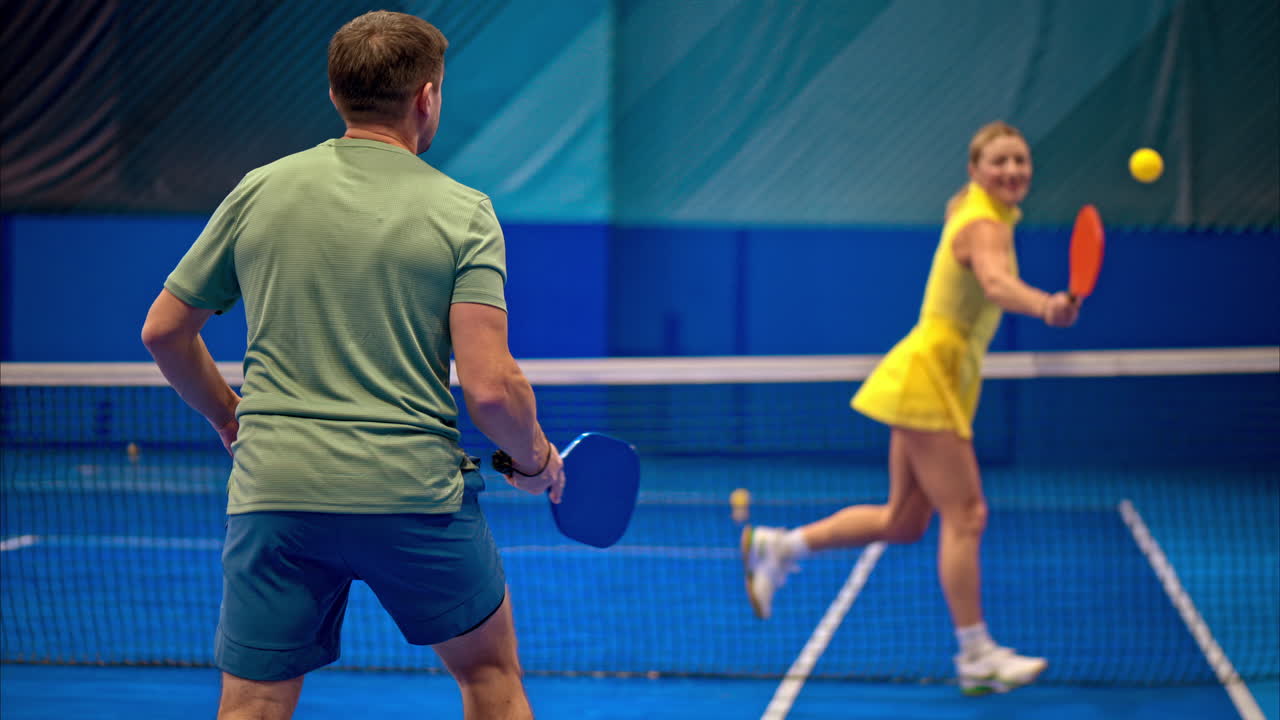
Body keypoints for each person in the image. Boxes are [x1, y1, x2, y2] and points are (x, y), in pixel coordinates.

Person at [141, 11, 562, 720]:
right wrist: (537, 459)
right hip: (412, 495)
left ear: (335, 95)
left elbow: (164, 332)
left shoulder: (259, 190)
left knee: (251, 705)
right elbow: (492, 390)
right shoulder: (464, 213)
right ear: (427, 98)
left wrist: (227, 415)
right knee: (490, 677)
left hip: (276, 488)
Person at [741, 121, 1078, 696]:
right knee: (966, 515)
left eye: (1021, 161)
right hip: (929, 375)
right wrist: (1047, 305)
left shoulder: (980, 215)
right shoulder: (981, 222)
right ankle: (975, 654)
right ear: (975, 170)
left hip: (936, 375)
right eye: (999, 161)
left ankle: (779, 546)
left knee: (904, 521)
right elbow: (996, 284)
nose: (1013, 171)